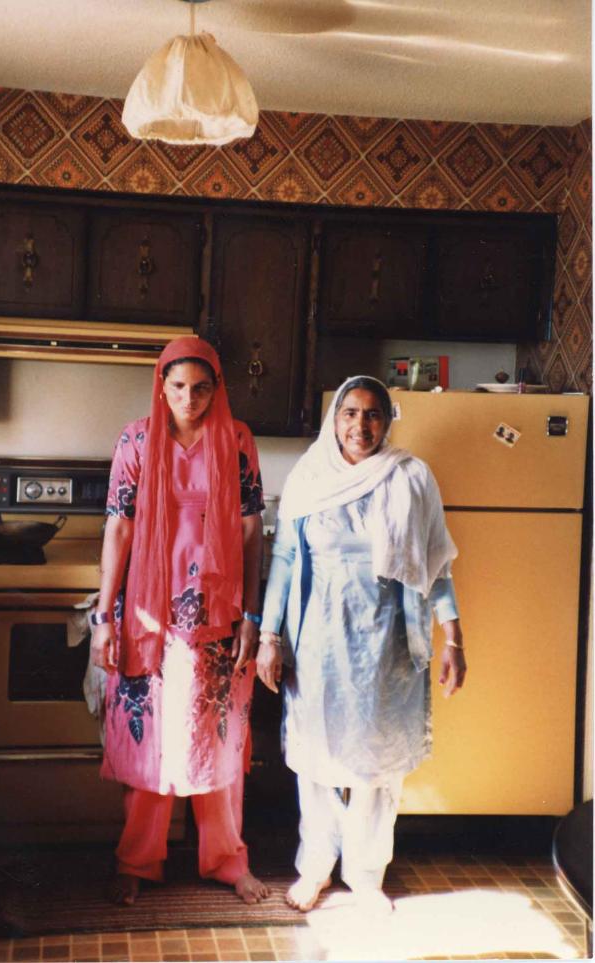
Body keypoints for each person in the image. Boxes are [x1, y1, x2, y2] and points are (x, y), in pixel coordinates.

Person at [257, 376, 467, 913]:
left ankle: (367, 875)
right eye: (350, 413)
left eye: (372, 415)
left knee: (377, 770)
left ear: (387, 421)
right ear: (335, 419)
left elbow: (434, 566)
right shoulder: (309, 475)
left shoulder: (411, 476)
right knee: (315, 762)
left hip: (387, 645)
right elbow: (282, 561)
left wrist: (454, 637)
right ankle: (316, 870)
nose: (360, 426)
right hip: (317, 641)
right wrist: (268, 637)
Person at [91, 336, 269, 906]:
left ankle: (227, 861)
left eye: (201, 388)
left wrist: (252, 616)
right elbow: (118, 528)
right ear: (160, 387)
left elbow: (248, 532)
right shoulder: (137, 440)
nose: (188, 399)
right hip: (149, 618)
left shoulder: (237, 441)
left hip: (218, 618)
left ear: (217, 389)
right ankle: (137, 861)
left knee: (217, 744)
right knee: (152, 743)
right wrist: (103, 617)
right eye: (177, 388)